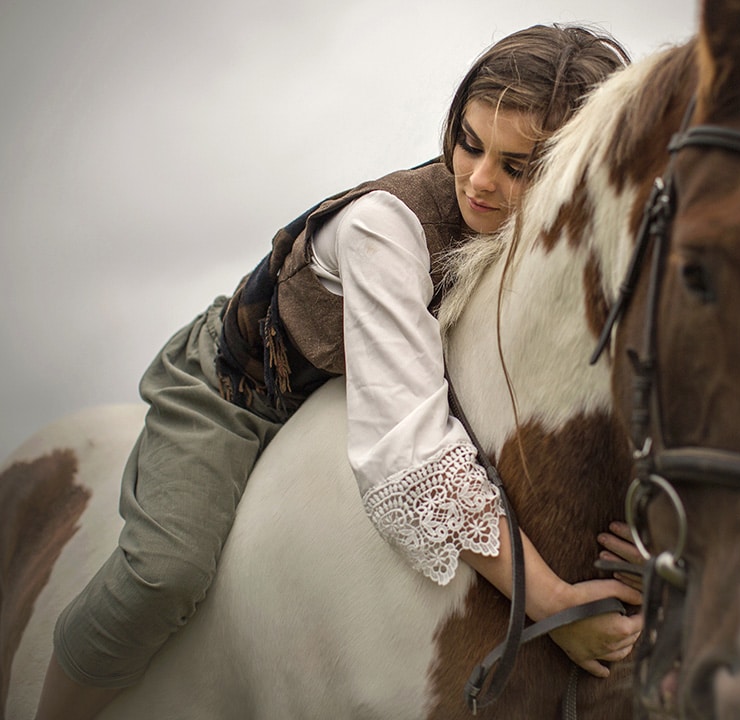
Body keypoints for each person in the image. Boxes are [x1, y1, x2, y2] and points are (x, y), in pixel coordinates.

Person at [35, 24, 644, 720]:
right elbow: (410, 454)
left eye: (517, 166)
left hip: (355, 389)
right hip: (237, 390)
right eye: (469, 143)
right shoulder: (383, 228)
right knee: (163, 574)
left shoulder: (561, 258)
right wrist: (557, 603)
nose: (478, 180)